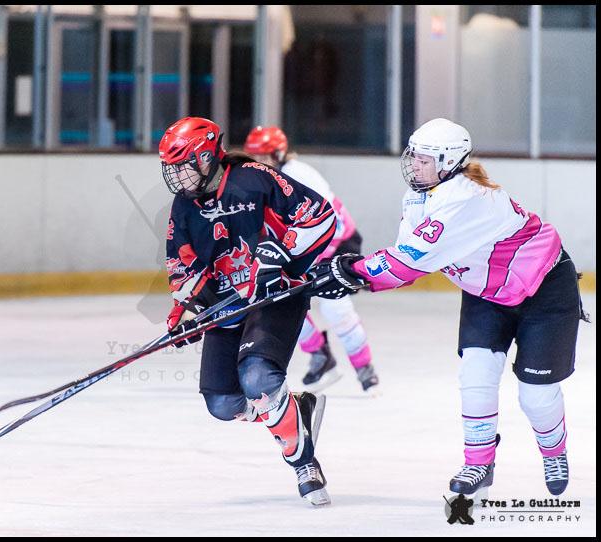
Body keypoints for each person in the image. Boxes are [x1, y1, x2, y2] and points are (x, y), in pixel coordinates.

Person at [317, 118, 588, 496]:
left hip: (545, 290)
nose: (414, 165)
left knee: (536, 396)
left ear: (448, 162)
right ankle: (479, 462)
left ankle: (553, 451)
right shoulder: (418, 196)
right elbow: (405, 262)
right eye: (413, 156)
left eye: (424, 160)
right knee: (476, 376)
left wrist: (352, 271)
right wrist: (356, 276)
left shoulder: (467, 200)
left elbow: (410, 262)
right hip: (486, 293)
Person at [160, 116, 340, 505]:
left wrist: (282, 254)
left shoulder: (254, 178)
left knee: (257, 378)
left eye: (182, 165)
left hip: (276, 296)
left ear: (206, 157)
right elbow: (181, 266)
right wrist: (187, 312)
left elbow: (321, 216)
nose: (175, 176)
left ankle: (303, 462)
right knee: (223, 404)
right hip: (228, 307)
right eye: (170, 168)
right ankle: (294, 408)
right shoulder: (184, 206)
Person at [244, 126, 378, 393]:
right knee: (279, 301)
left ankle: (365, 369)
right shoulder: (264, 179)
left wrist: (315, 258)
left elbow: (330, 219)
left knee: (335, 308)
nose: (258, 163)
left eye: (263, 157)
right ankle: (320, 356)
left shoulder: (299, 174)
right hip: (303, 249)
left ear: (278, 154)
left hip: (335, 244)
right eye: (254, 157)